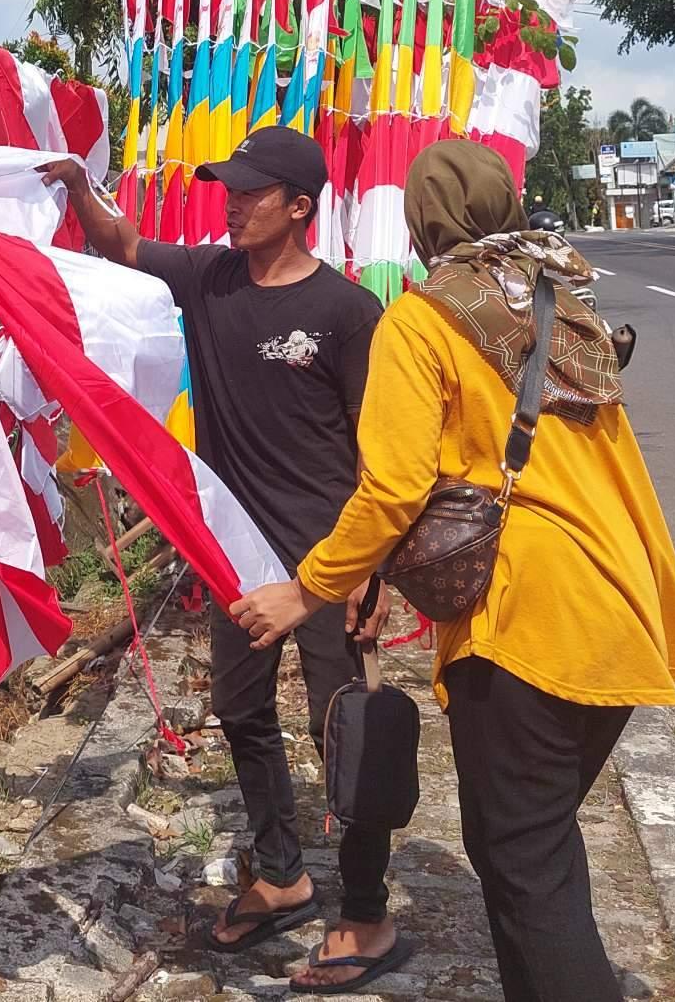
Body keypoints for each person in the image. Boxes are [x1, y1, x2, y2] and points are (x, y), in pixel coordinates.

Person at [233, 139, 675, 1002]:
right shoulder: (557, 299)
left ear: (422, 222)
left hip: (531, 619)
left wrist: (306, 590)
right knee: (525, 846)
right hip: (620, 600)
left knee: (524, 859)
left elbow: (392, 488)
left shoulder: (424, 317)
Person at [42, 126, 407, 994]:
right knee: (242, 715)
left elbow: (381, 452)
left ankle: (367, 912)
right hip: (235, 554)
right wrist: (75, 186)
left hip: (325, 562)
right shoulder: (209, 279)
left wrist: (370, 572)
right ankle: (282, 872)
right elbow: (122, 244)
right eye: (228, 189)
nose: (231, 202)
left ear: (300, 207)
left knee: (343, 735)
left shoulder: (349, 313)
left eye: (249, 192)